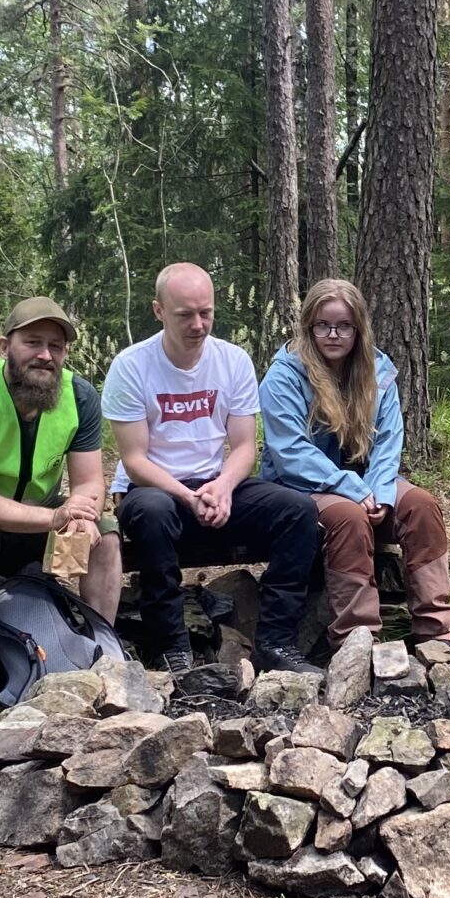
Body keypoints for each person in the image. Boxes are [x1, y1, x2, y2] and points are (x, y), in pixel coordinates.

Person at [104, 262, 321, 675]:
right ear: (159, 311)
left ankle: (276, 641)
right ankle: (171, 645)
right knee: (152, 511)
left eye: (206, 313)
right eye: (185, 314)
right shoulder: (132, 367)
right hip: (154, 489)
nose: (198, 324)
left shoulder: (232, 361)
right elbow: (134, 461)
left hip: (216, 485)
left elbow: (243, 447)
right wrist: (186, 496)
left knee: (297, 511)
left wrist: (222, 487)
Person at [0, 295, 126, 731]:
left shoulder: (79, 394)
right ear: (4, 346)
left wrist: (83, 512)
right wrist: (55, 518)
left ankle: (103, 656)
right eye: (32, 342)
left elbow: (91, 481)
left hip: (41, 508)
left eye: (56, 346)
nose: (45, 355)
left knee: (107, 534)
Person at [260, 277, 450, 650]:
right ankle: (358, 640)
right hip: (300, 487)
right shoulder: (283, 377)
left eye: (344, 326)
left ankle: (437, 634)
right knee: (348, 517)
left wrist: (381, 492)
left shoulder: (378, 370)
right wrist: (353, 490)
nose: (333, 334)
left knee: (421, 506)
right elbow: (291, 454)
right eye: (323, 325)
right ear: (308, 327)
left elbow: (388, 440)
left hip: (366, 482)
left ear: (358, 329)